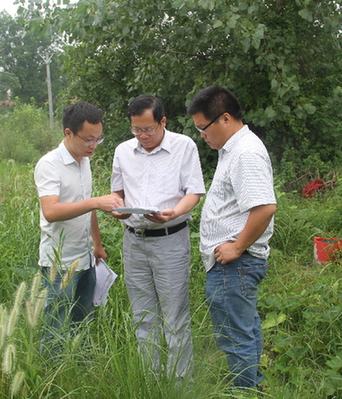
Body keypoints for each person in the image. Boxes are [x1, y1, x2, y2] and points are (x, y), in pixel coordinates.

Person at [187, 85, 277, 389]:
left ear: (225, 118)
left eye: (203, 127)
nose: (202, 134)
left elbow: (264, 208)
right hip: (233, 265)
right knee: (246, 330)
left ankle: (243, 393)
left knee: (235, 337)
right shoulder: (233, 150)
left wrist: (238, 247)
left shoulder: (245, 152)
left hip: (235, 265)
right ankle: (254, 388)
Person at [110, 94, 205, 379]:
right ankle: (151, 381)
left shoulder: (183, 146)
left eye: (148, 129)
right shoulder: (123, 151)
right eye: (136, 130)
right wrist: (119, 209)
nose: (142, 136)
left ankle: (180, 385)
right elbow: (118, 192)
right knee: (143, 315)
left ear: (162, 122)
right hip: (134, 241)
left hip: (170, 239)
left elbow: (195, 192)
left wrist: (174, 212)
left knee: (175, 317)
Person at [34, 102, 124, 357]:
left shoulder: (84, 161)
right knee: (56, 322)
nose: (93, 145)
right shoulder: (49, 164)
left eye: (98, 139)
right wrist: (96, 201)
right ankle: (52, 376)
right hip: (59, 261)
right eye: (88, 139)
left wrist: (97, 244)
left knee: (82, 322)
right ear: (68, 133)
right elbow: (51, 210)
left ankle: (80, 371)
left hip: (85, 257)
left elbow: (86, 205)